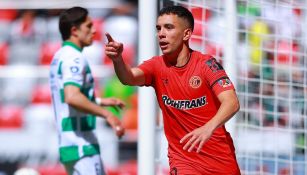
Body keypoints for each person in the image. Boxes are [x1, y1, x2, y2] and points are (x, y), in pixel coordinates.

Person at [105, 5, 241, 175]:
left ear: (187, 34)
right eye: (158, 28)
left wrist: (208, 128)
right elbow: (128, 77)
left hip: (219, 159)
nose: (161, 33)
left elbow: (232, 102)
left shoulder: (207, 64)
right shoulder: (156, 66)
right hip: (183, 160)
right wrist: (118, 60)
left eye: (168, 27)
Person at [49, 7, 125, 175]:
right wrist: (108, 114)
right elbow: (72, 97)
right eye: (89, 26)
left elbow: (66, 96)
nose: (94, 30)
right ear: (74, 30)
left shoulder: (59, 56)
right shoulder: (74, 58)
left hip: (70, 145)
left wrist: (101, 101)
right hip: (82, 145)